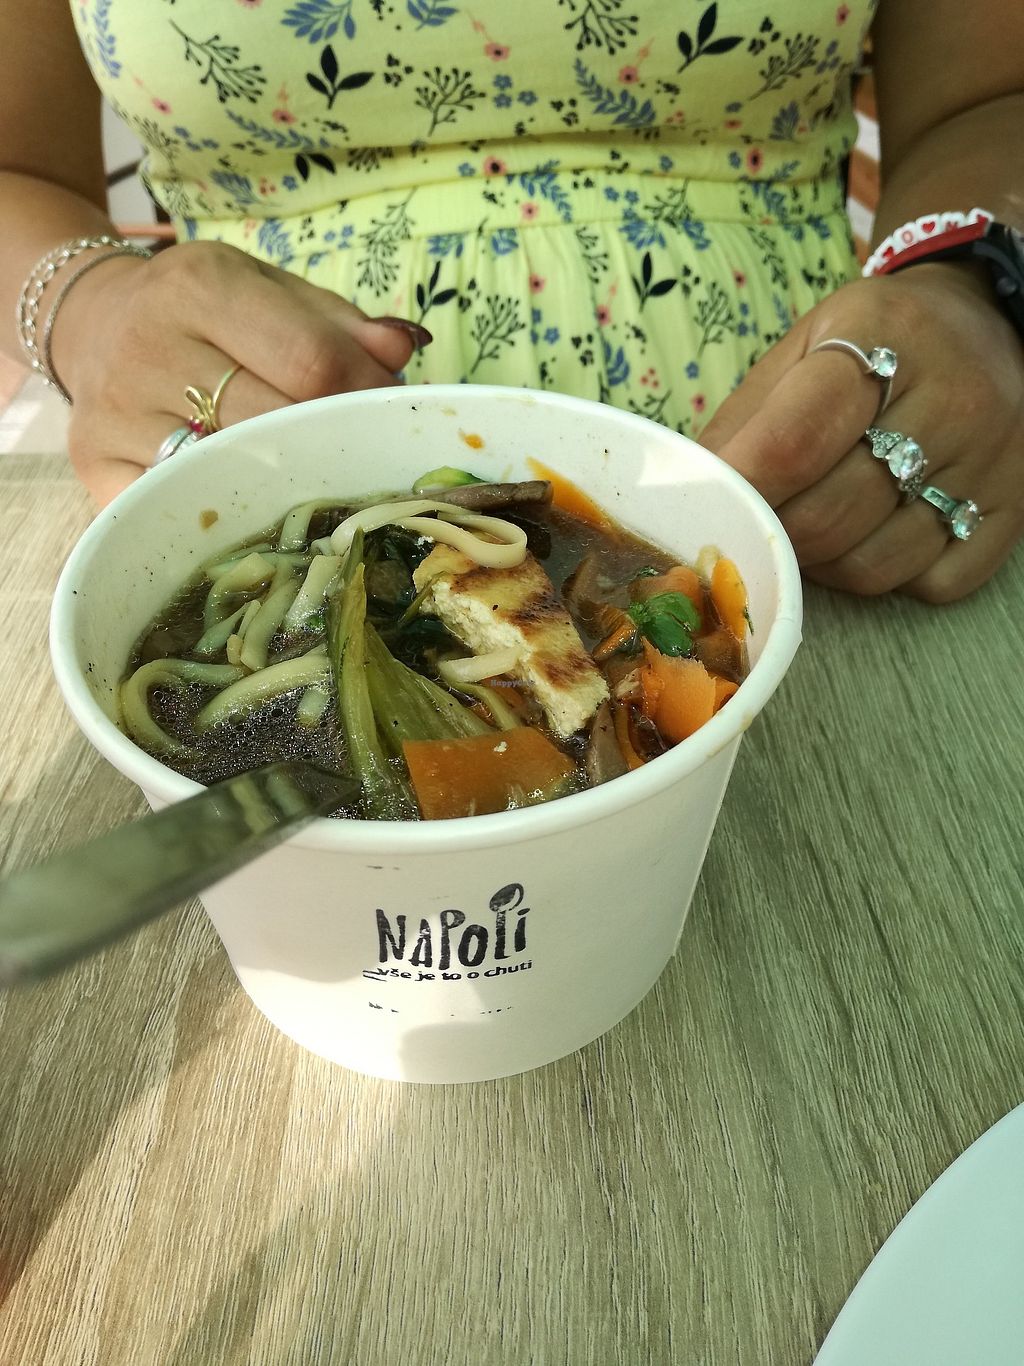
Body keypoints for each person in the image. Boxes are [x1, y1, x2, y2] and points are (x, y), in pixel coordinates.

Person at [1, 0, 1021, 601]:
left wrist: (975, 285)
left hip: (850, 510)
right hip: (250, 521)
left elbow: (988, 100)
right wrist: (87, 311)